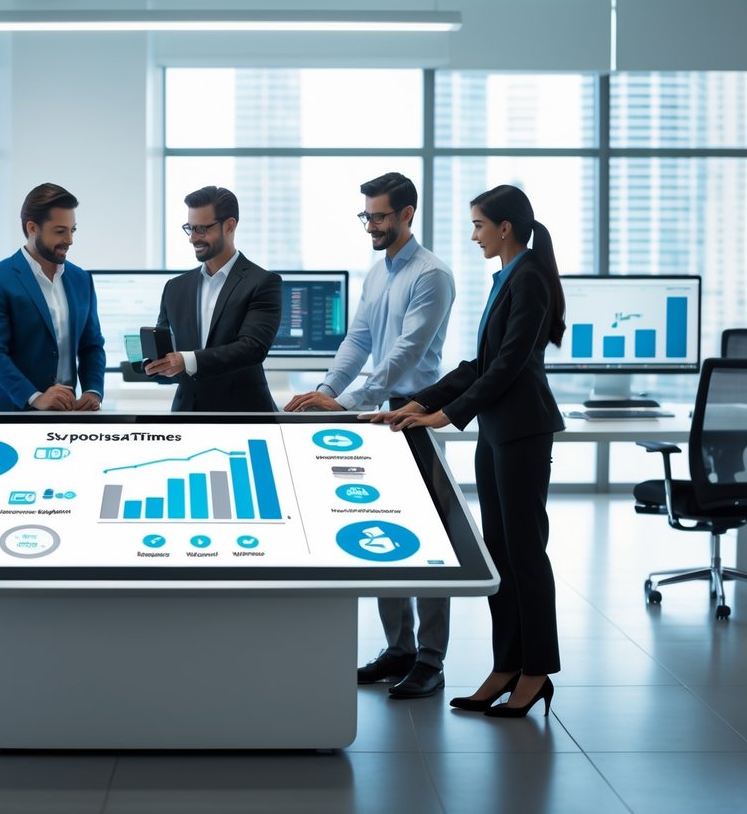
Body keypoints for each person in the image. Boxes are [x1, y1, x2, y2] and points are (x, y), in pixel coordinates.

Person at [369, 184, 565, 718]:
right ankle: (507, 666)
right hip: (498, 433)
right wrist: (416, 403)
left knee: (525, 553)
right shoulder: (506, 278)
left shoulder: (529, 279)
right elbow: (479, 365)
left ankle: (536, 670)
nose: (473, 235)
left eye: (479, 225)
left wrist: (445, 415)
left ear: (504, 227)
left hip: (523, 432)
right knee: (499, 555)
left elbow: (509, 367)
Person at [285, 172, 456, 700]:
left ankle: (430, 659)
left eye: (379, 216)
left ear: (407, 215)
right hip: (374, 421)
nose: (370, 226)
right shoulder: (376, 273)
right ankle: (398, 648)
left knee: (427, 544)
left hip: (414, 416)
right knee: (381, 536)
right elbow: (358, 339)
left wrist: (348, 403)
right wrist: (326, 390)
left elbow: (404, 353)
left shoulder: (431, 275)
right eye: (366, 216)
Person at [144, 185, 281, 411]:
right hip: (186, 413)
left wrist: (186, 360)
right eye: (190, 228)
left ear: (230, 226)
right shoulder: (175, 287)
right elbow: (170, 355)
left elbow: (252, 348)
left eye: (202, 229)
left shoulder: (263, 282)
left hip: (245, 415)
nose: (193, 238)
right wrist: (156, 366)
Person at [0, 182, 106, 412]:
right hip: (8, 412)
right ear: (33, 228)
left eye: (72, 230)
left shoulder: (81, 279)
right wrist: (35, 397)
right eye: (60, 231)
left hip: (65, 414)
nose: (70, 240)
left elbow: (92, 346)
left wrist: (93, 390)